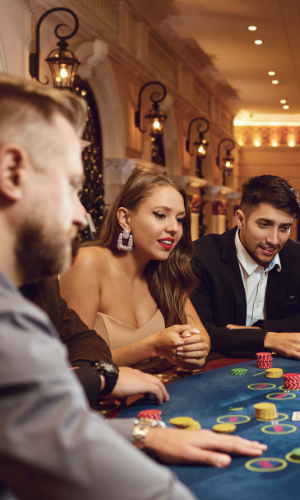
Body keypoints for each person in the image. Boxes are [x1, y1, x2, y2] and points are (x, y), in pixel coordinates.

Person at [0, 73, 264, 500]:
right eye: (69, 186)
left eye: (179, 218)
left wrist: (142, 433)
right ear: (12, 172)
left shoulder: (31, 286)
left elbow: (54, 408)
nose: (80, 216)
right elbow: (59, 434)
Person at [60, 169, 211, 370]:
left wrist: (197, 348)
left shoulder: (167, 271)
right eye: (160, 215)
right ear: (125, 218)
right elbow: (72, 364)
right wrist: (152, 347)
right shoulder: (89, 263)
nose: (174, 228)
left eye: (180, 219)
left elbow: (202, 337)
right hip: (103, 399)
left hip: (163, 394)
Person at [191, 175, 300, 359]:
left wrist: (264, 330)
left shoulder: (295, 255)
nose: (274, 240)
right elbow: (197, 333)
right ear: (240, 219)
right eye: (264, 225)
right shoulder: (203, 256)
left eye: (284, 228)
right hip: (219, 368)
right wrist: (269, 339)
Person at [20, 277, 169, 406]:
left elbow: (83, 339)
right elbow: (16, 388)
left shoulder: (43, 279)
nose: (76, 242)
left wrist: (88, 375)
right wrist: (99, 379)